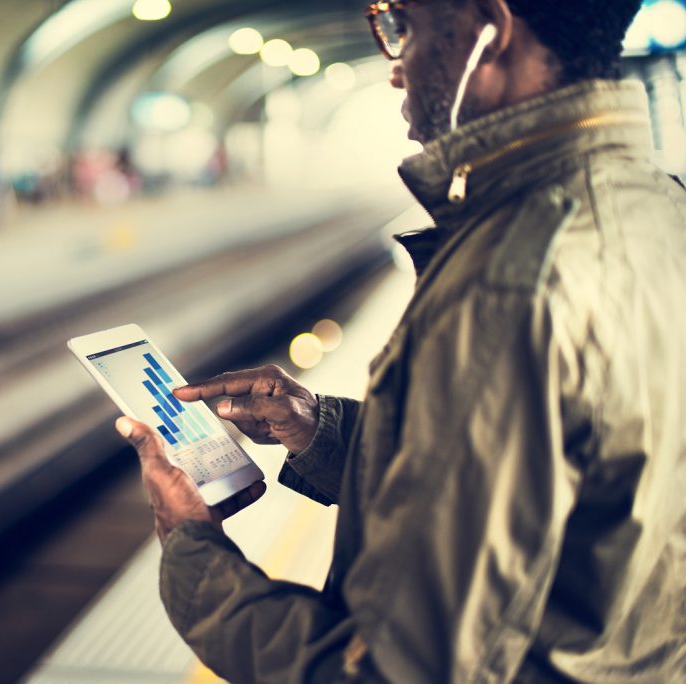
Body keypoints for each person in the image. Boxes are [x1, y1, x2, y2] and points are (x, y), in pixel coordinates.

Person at [115, 0, 686, 681]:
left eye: (403, 29)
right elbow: (560, 479)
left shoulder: (510, 281)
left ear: (490, 31)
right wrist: (320, 432)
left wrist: (195, 555)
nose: (393, 68)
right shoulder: (655, 206)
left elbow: (393, 671)